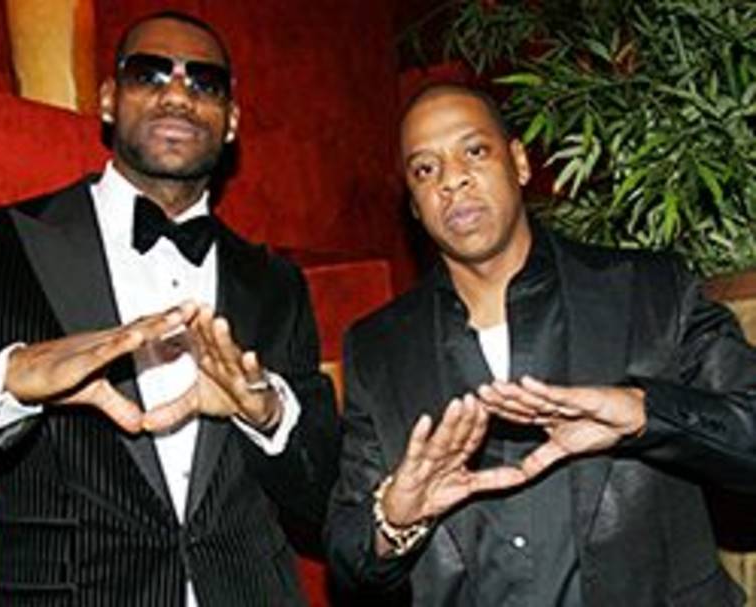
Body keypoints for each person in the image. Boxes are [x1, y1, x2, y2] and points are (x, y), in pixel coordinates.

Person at [0, 11, 338, 607]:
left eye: (205, 82)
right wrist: (8, 379)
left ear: (232, 121)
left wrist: (268, 415)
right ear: (108, 100)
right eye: (150, 74)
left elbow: (325, 499)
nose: (178, 95)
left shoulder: (276, 285)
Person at [324, 83, 756, 606]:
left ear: (520, 163)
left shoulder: (649, 291)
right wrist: (394, 520)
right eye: (425, 169)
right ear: (414, 206)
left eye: (474, 151)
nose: (452, 179)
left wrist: (648, 414)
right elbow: (346, 556)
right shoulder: (378, 349)